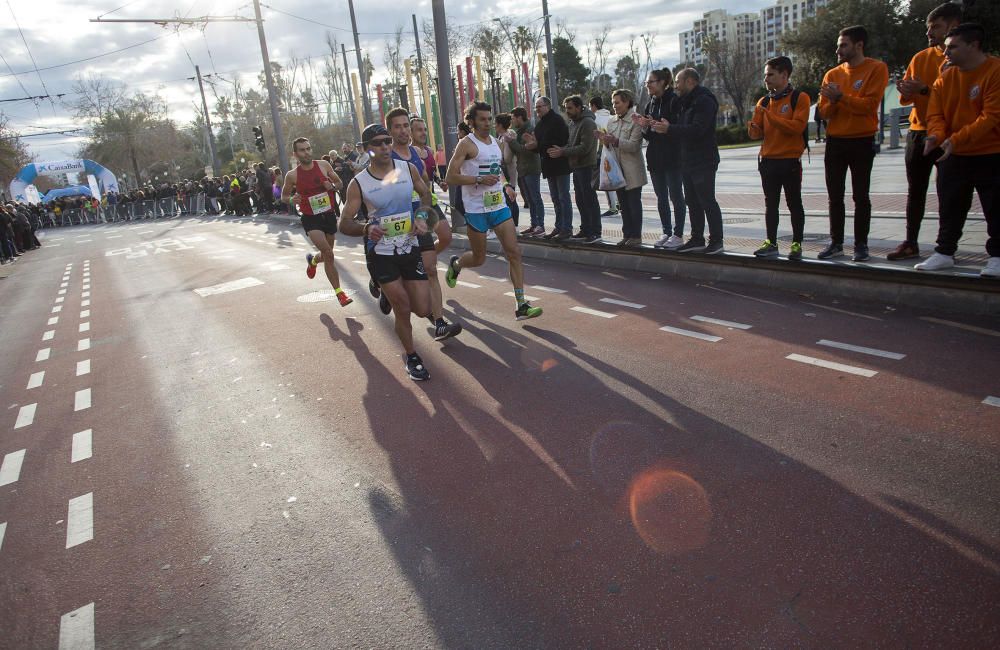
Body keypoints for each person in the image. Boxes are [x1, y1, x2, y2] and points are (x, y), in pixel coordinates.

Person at [338, 124, 435, 380]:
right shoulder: (359, 183)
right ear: (367, 149)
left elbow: (425, 195)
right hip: (380, 252)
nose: (384, 147)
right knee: (402, 308)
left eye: (387, 141)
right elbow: (344, 222)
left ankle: (382, 290)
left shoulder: (407, 169)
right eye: (378, 143)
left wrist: (422, 217)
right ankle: (412, 356)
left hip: (409, 246)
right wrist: (366, 228)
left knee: (423, 309)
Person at [444, 101, 543, 321]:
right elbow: (450, 177)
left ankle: (521, 305)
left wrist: (506, 184)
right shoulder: (466, 144)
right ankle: (457, 264)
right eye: (482, 119)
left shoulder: (496, 144)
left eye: (489, 119)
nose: (487, 123)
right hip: (476, 209)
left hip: (498, 205)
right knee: (479, 258)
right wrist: (478, 179)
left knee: (514, 252)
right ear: (471, 122)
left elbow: (498, 171)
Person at [916, 23, 999, 277]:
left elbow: (991, 116)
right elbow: (936, 113)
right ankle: (944, 252)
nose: (947, 52)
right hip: (953, 154)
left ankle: (997, 256)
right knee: (950, 205)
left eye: (953, 47)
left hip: (991, 153)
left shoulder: (994, 71)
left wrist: (957, 139)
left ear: (973, 45)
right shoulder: (945, 77)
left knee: (996, 207)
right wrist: (936, 136)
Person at [891, 2, 964, 261]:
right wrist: (907, 90)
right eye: (928, 28)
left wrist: (923, 89)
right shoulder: (920, 58)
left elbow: (955, 98)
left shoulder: (961, 59)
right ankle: (910, 242)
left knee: (949, 191)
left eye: (936, 27)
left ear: (953, 26)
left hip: (947, 134)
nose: (929, 33)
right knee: (916, 191)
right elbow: (907, 98)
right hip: (918, 131)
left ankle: (946, 248)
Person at [384, 107, 462, 341]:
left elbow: (424, 181)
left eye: (406, 125)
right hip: (398, 221)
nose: (404, 130)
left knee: (430, 269)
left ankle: (439, 323)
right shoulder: (387, 157)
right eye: (397, 126)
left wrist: (425, 206)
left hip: (420, 214)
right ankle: (384, 285)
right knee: (400, 277)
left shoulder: (416, 152)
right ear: (389, 130)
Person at [816, 25, 889, 262]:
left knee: (861, 196)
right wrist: (836, 101)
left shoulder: (876, 69)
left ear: (859, 45)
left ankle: (861, 244)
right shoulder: (832, 75)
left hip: (861, 140)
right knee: (835, 196)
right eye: (838, 45)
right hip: (835, 142)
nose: (838, 49)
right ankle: (836, 242)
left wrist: (841, 98)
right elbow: (824, 111)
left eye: (843, 45)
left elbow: (869, 105)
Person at [748, 56, 810, 260]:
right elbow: (756, 134)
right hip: (768, 162)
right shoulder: (764, 101)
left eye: (770, 75)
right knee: (770, 204)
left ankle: (796, 243)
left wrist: (771, 117)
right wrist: (753, 127)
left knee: (794, 203)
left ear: (784, 75)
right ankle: (771, 242)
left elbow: (797, 127)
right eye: (765, 75)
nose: (766, 79)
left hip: (790, 161)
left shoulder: (799, 98)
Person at [280, 136, 352, 307]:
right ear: (295, 154)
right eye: (302, 150)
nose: (307, 152)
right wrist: (292, 200)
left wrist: (332, 187)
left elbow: (340, 183)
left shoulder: (324, 165)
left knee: (327, 254)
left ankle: (313, 261)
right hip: (310, 218)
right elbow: (283, 196)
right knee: (328, 253)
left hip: (328, 215)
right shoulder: (292, 175)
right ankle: (340, 293)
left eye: (308, 148)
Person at [661, 68, 725, 254]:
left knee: (706, 200)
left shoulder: (704, 100)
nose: (676, 86)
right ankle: (697, 238)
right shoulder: (685, 102)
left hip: (703, 159)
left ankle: (716, 241)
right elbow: (681, 126)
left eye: (678, 82)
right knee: (692, 201)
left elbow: (697, 129)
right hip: (688, 159)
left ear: (690, 81)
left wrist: (670, 129)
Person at [640, 69, 686, 249]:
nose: (648, 86)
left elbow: (679, 128)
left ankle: (678, 233)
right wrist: (645, 126)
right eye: (646, 83)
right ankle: (666, 231)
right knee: (661, 197)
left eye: (650, 82)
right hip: (655, 157)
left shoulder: (674, 100)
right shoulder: (650, 104)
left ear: (661, 82)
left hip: (673, 157)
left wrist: (666, 127)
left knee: (676, 196)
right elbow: (649, 136)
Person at [597, 89, 647, 247]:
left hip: (632, 171)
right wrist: (604, 140)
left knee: (633, 204)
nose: (614, 106)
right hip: (616, 171)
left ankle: (636, 236)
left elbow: (634, 146)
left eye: (617, 103)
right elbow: (610, 146)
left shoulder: (636, 120)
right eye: (613, 103)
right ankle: (627, 234)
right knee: (623, 205)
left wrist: (616, 140)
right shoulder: (611, 121)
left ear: (627, 102)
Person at [550, 95, 602, 244]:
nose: (568, 111)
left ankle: (595, 231)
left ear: (579, 107)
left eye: (570, 108)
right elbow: (571, 144)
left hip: (586, 166)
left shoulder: (588, 123)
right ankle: (586, 229)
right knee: (580, 200)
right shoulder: (573, 123)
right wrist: (561, 149)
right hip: (576, 166)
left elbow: (585, 147)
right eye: (566, 108)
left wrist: (563, 152)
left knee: (590, 200)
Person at [523, 96, 571, 240]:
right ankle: (559, 226)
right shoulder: (539, 125)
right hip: (548, 166)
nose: (537, 109)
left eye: (540, 106)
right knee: (555, 198)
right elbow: (540, 147)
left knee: (563, 197)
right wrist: (532, 146)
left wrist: (537, 145)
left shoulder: (557, 120)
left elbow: (559, 141)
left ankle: (566, 228)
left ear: (548, 106)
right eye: (536, 107)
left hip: (560, 164)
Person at [507, 107, 545, 236]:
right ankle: (534, 224)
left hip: (531, 168)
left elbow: (523, 150)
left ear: (519, 117)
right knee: (529, 199)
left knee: (535, 197)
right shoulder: (520, 131)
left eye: (513, 118)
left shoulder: (530, 130)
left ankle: (540, 225)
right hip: (523, 169)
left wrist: (511, 142)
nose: (512, 121)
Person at [590, 97, 620, 216]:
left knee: (606, 179)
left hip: (602, 152)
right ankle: (619, 203)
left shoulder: (594, 119)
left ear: (593, 106)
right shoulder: (611, 117)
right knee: (616, 177)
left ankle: (613, 207)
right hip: (616, 149)